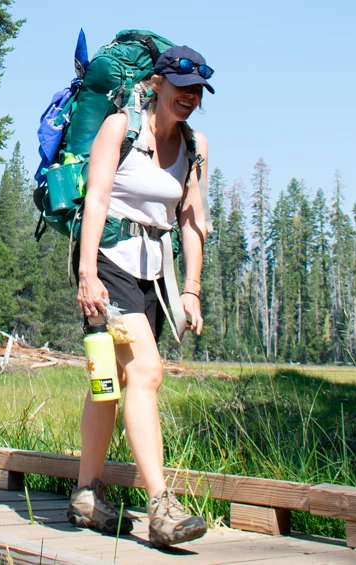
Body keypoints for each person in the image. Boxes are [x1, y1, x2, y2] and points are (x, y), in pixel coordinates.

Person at [69, 46, 213, 548]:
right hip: (109, 261)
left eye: (196, 92)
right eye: (181, 88)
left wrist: (191, 290)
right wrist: (87, 273)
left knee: (108, 383)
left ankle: (86, 493)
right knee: (146, 372)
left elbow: (193, 221)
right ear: (156, 84)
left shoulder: (195, 146)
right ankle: (161, 505)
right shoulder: (119, 128)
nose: (189, 98)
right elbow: (97, 199)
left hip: (156, 274)